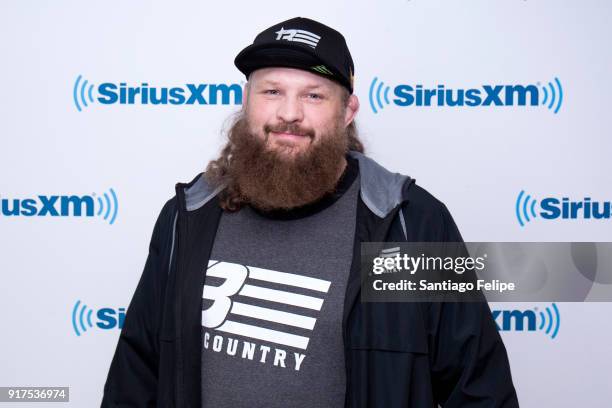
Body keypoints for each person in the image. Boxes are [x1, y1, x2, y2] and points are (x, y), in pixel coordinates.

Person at [101, 17, 519, 408]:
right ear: (247, 102)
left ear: (348, 111)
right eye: (272, 91)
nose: (289, 114)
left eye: (313, 95)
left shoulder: (405, 223)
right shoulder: (190, 215)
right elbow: (135, 376)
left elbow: (480, 389)